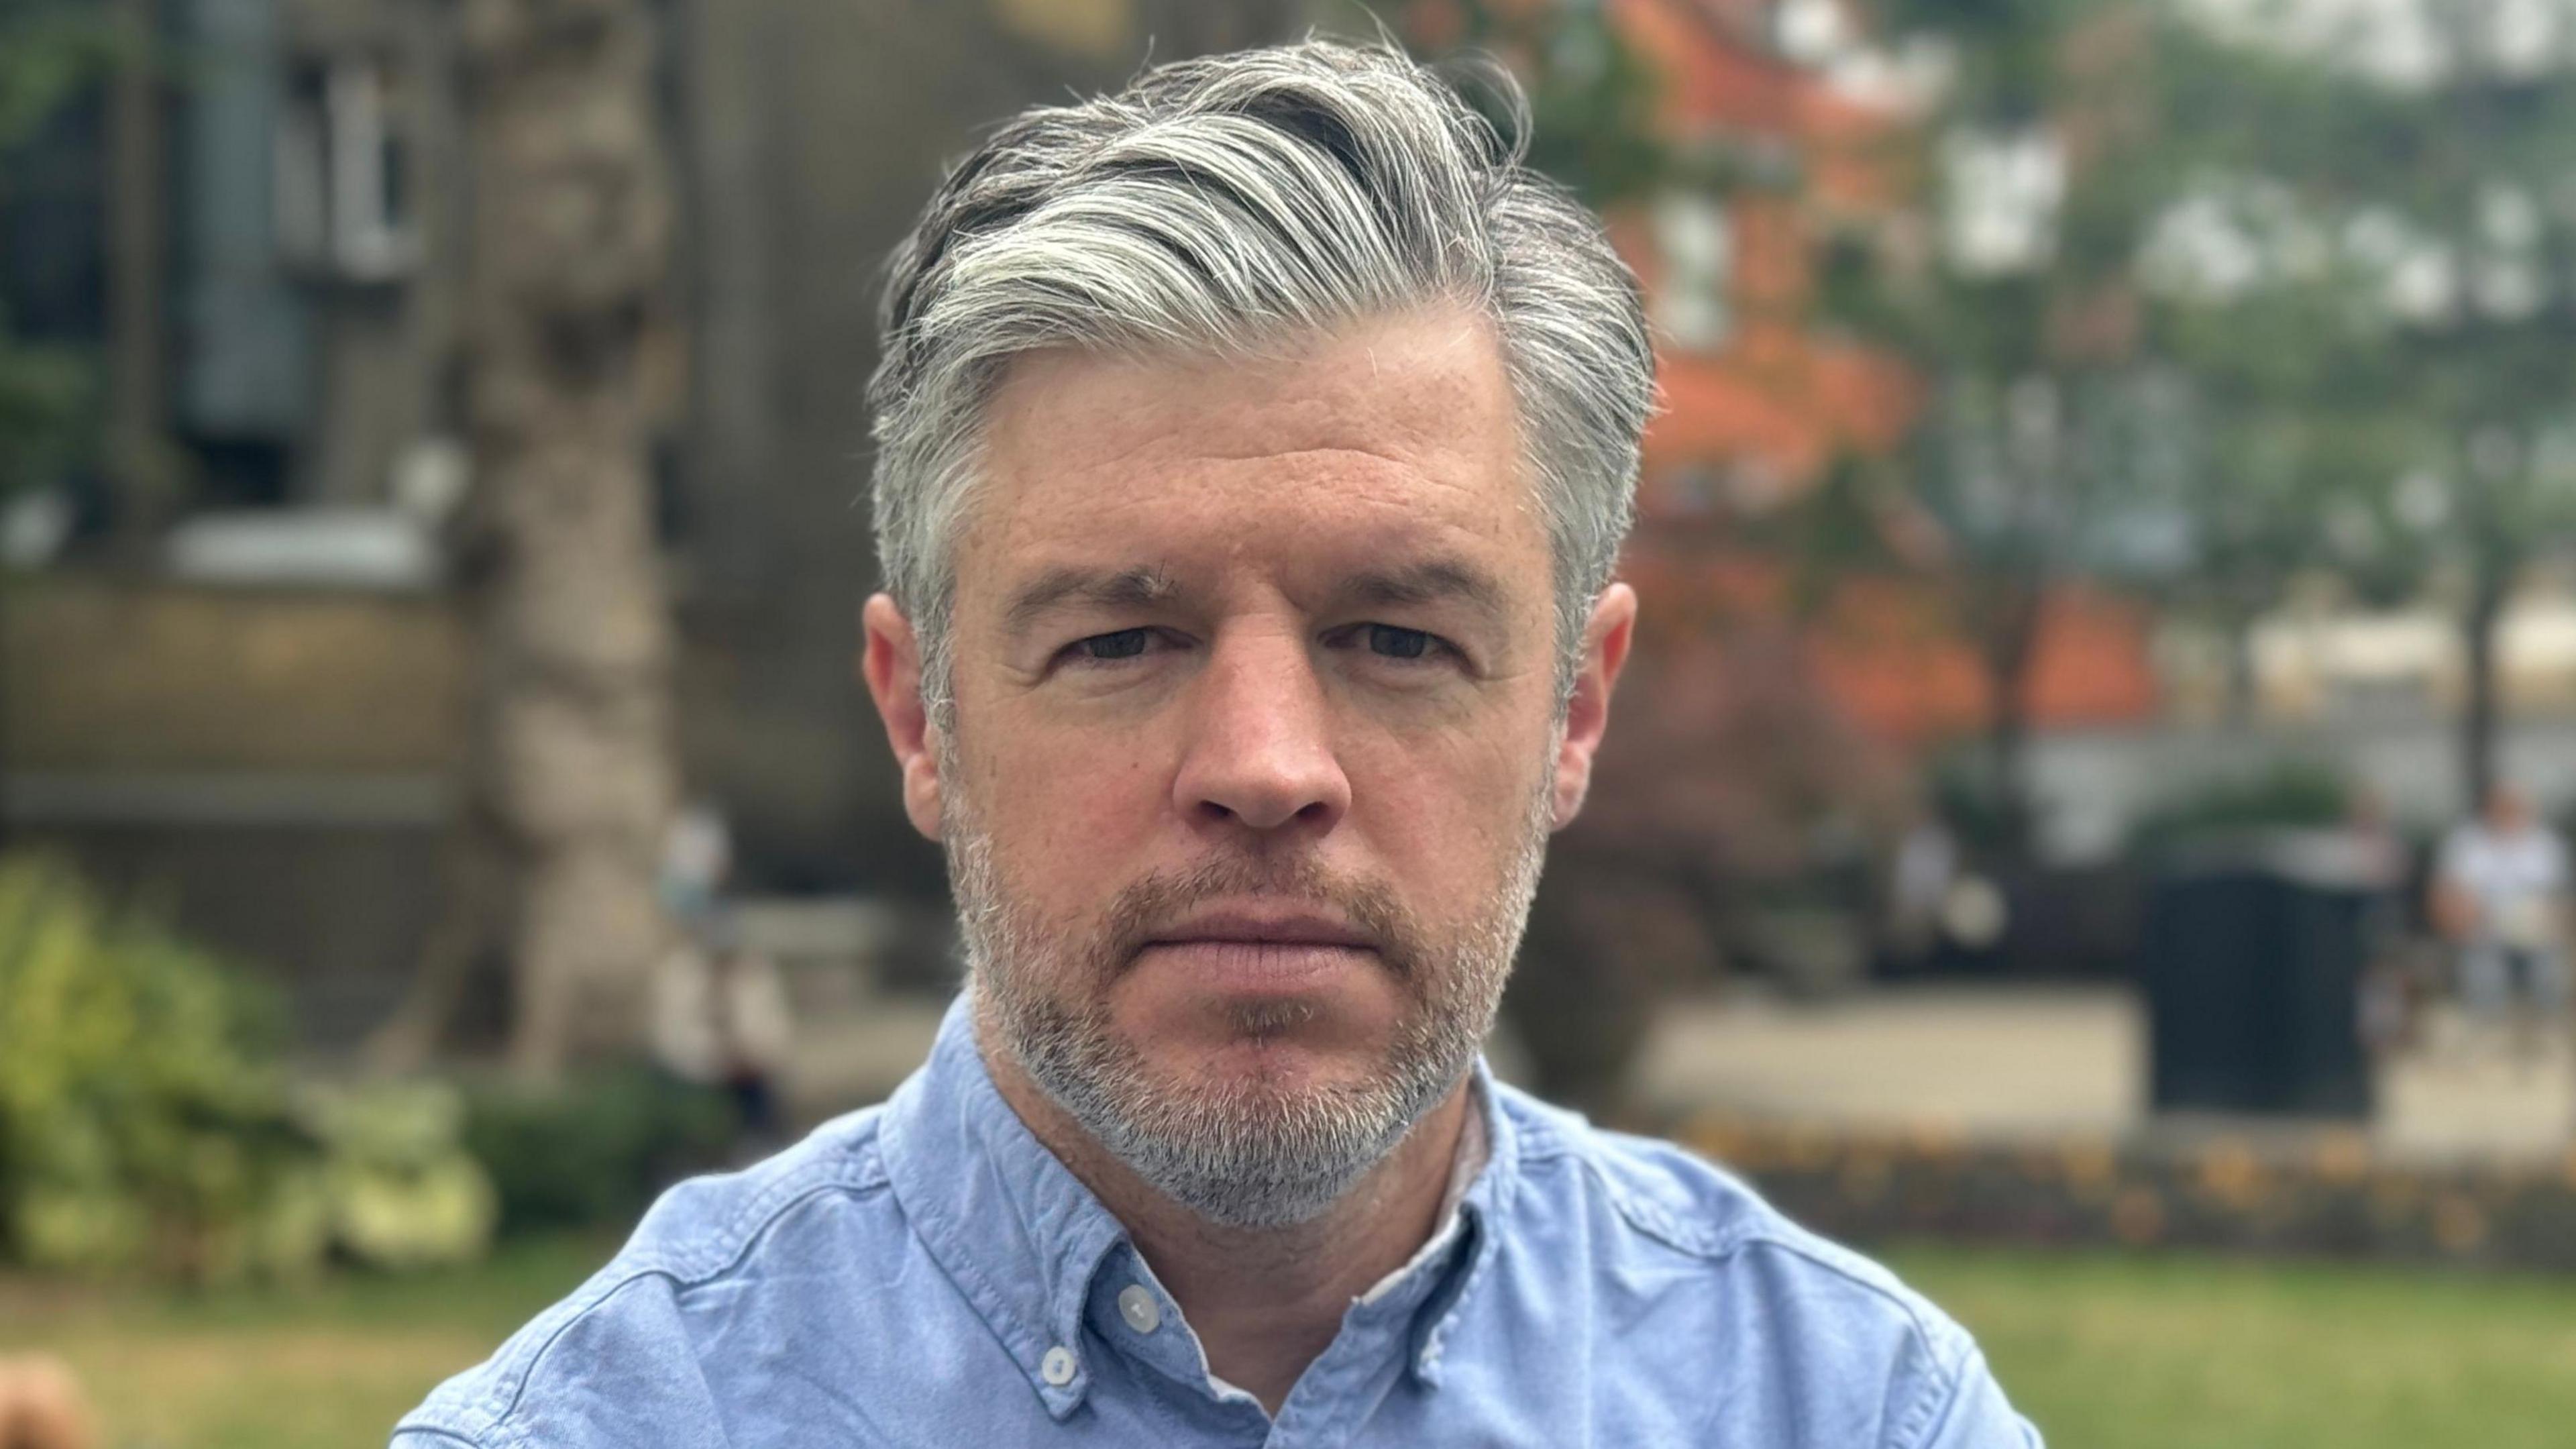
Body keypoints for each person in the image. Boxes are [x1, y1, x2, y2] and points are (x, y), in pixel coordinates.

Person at [396, 40, 2039, 1446]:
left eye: (1397, 639)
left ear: (1572, 709)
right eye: (1120, 639)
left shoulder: (1847, 1407)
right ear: (923, 715)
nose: (1265, 764)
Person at [2431, 782, 2571, 1062]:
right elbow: (2444, 897)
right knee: (2484, 969)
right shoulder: (2466, 844)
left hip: (2536, 935)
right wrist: (2461, 919)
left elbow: (2562, 900)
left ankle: (2542, 1040)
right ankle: (2488, 1039)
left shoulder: (2546, 845)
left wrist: (2556, 923)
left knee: (2549, 969)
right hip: (2482, 932)